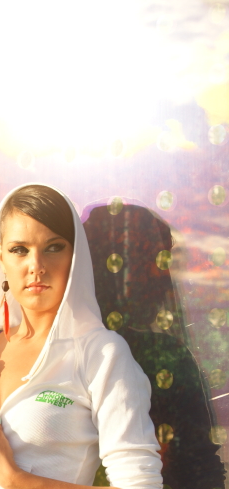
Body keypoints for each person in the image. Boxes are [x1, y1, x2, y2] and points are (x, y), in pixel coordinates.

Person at [0, 184, 163, 489]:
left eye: (53, 247)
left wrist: (13, 479)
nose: (35, 266)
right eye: (19, 249)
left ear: (75, 256)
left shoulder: (101, 355)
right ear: (0, 257)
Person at [83, 203, 225, 488]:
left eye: (164, 265)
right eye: (149, 262)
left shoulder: (167, 357)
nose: (163, 280)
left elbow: (200, 466)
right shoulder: (163, 356)